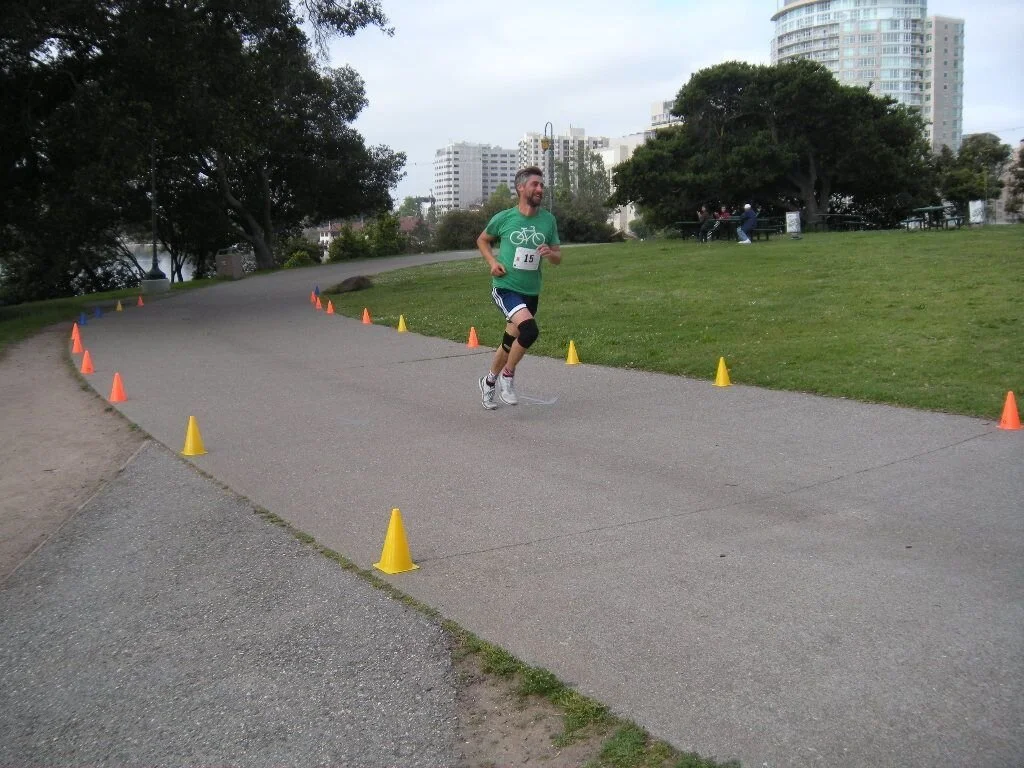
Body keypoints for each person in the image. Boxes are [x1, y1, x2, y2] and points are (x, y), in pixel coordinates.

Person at [475, 166, 562, 410]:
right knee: (530, 331)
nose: (540, 189)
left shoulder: (548, 220)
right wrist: (492, 262)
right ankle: (508, 376)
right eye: (535, 184)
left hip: (531, 291)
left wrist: (550, 253)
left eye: (541, 185)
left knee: (508, 343)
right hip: (506, 287)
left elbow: (558, 257)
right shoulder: (504, 218)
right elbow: (482, 239)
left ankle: (488, 381)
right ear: (521, 188)